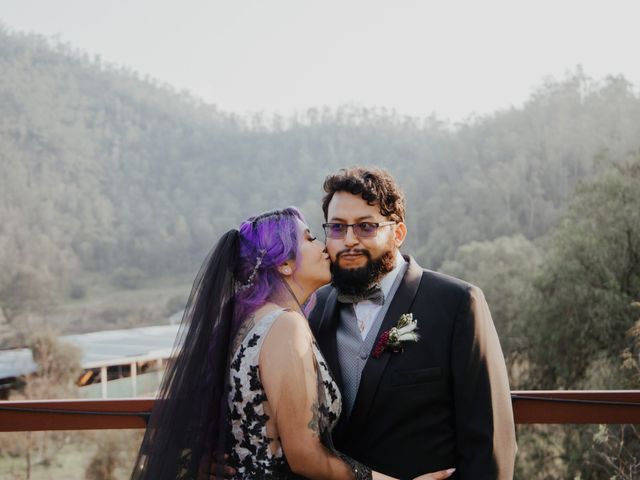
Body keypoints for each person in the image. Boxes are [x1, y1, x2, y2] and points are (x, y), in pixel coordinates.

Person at [132, 207, 454, 479]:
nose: (324, 246)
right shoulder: (285, 325)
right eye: (310, 238)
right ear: (285, 263)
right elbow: (304, 454)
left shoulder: (250, 322)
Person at [308, 167, 517, 479]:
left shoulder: (458, 303)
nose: (349, 240)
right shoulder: (314, 308)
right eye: (337, 228)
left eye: (366, 227)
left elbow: (490, 445)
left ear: (398, 233)